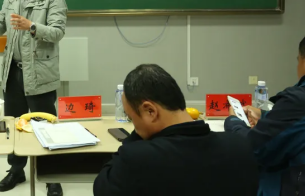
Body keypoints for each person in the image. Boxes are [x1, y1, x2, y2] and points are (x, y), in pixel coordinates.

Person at [94, 64, 259, 196]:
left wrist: (135, 138)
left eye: (131, 117)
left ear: (150, 111)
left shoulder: (136, 158)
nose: (133, 124)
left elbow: (102, 188)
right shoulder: (241, 146)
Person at [0, 0, 67, 196]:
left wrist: (32, 26)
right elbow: (2, 24)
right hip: (13, 71)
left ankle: (52, 177)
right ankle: (16, 171)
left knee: (44, 124)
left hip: (39, 72)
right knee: (14, 123)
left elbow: (57, 32)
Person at [225, 37, 305, 195]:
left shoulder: (298, 100)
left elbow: (254, 149)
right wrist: (264, 115)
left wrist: (234, 121)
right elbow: (296, 124)